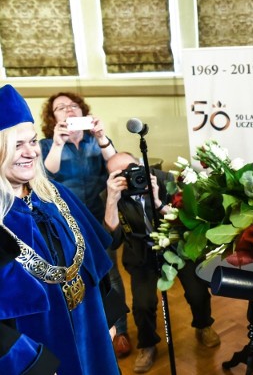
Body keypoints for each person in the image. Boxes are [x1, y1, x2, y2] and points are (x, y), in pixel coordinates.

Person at [0, 84, 120, 374]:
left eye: (33, 141)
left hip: (90, 331)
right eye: (18, 145)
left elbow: (92, 261)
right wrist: (34, 364)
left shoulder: (55, 195)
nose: (31, 153)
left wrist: (109, 316)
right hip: (38, 351)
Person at [103, 152, 220, 373]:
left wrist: (157, 201)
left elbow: (187, 221)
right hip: (141, 255)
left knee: (198, 293)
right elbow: (113, 240)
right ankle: (147, 345)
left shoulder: (165, 180)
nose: (128, 177)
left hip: (177, 246)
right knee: (142, 304)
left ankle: (204, 325)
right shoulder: (110, 196)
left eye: (131, 169)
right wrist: (111, 200)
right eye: (119, 174)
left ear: (140, 164)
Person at [39, 91, 131, 357]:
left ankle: (120, 330)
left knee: (109, 271)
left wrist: (102, 138)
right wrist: (57, 143)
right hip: (64, 222)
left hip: (99, 218)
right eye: (60, 108)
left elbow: (117, 166)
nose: (68, 110)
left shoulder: (96, 142)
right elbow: (46, 175)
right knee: (74, 274)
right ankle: (88, 329)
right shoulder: (46, 145)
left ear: (83, 112)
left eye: (73, 105)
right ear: (52, 117)